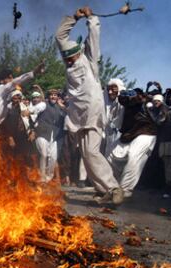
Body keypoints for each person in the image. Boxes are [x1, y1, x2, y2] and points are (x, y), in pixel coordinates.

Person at [56, 6, 124, 204]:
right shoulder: (68, 59)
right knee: (86, 154)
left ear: (79, 53)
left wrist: (91, 17)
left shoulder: (89, 60)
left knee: (92, 152)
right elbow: (60, 36)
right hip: (78, 117)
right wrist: (75, 17)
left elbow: (94, 35)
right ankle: (103, 190)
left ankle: (113, 187)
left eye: (71, 57)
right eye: (66, 58)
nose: (69, 60)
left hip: (93, 114)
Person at [108, 89, 163, 198]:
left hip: (147, 133)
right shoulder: (122, 105)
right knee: (110, 155)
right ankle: (114, 186)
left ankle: (125, 191)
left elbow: (157, 119)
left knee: (134, 156)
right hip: (129, 135)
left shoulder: (145, 103)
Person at [0, 63, 44, 133]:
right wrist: (34, 72)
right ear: (1, 81)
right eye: (9, 78)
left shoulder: (5, 100)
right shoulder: (1, 88)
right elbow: (16, 82)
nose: (12, 80)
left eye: (12, 77)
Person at [35, 89, 66, 183]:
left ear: (57, 97)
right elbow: (34, 109)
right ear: (48, 96)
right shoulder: (44, 104)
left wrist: (62, 106)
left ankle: (48, 178)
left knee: (53, 157)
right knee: (44, 154)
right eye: (51, 95)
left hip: (55, 135)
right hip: (42, 133)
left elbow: (68, 113)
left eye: (55, 95)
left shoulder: (59, 107)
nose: (53, 97)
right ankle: (42, 177)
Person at [103, 78, 125, 157]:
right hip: (106, 135)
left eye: (113, 89)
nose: (110, 92)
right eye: (108, 89)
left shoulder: (123, 104)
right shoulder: (105, 103)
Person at [158, 89, 171, 197]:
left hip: (167, 142)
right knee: (167, 167)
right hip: (166, 142)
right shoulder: (166, 112)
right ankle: (168, 188)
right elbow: (159, 122)